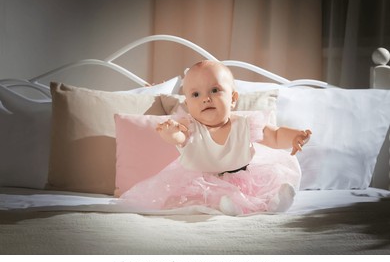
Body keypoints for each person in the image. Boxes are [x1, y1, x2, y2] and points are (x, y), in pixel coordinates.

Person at [120, 60, 311, 215]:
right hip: (203, 181)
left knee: (262, 187)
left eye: (214, 90)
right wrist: (170, 133)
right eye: (196, 94)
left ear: (233, 98)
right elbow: (179, 137)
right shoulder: (190, 127)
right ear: (187, 104)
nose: (206, 98)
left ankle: (275, 203)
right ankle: (227, 207)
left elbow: (274, 135)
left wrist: (294, 136)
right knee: (201, 197)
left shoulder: (246, 124)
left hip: (242, 177)